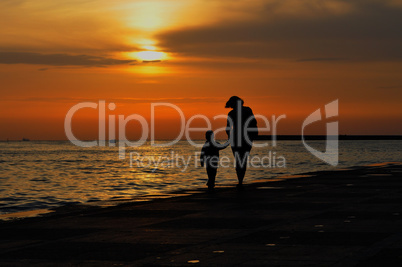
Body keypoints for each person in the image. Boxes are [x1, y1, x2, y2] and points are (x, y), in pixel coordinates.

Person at [225, 96, 258, 188]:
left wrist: (229, 138)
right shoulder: (247, 110)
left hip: (236, 138)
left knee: (238, 159)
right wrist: (254, 133)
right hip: (247, 137)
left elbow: (228, 128)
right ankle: (240, 180)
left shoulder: (231, 113)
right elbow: (254, 122)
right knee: (243, 158)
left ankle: (240, 180)